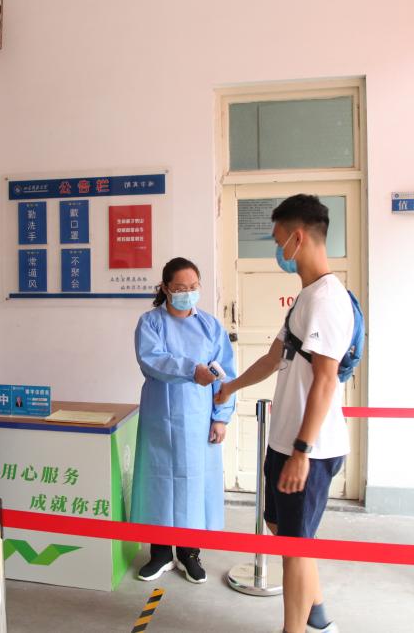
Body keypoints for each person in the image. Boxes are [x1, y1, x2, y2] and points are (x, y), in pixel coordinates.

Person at [215, 195, 352, 633]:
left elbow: (326, 380)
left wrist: (301, 451)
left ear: (298, 237)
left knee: (294, 545)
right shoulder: (306, 298)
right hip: (285, 439)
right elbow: (275, 357)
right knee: (280, 525)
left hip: (309, 447)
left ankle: (297, 628)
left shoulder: (327, 300)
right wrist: (230, 387)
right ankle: (318, 610)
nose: (278, 251)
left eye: (279, 241)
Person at [131, 257, 236, 584]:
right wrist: (192, 370)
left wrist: (221, 418)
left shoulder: (210, 326)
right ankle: (160, 553)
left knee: (194, 482)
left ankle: (189, 552)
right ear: (165, 288)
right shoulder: (151, 323)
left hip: (198, 418)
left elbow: (226, 375)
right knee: (159, 481)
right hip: (160, 417)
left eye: (193, 287)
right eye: (180, 288)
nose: (187, 293)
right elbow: (153, 360)